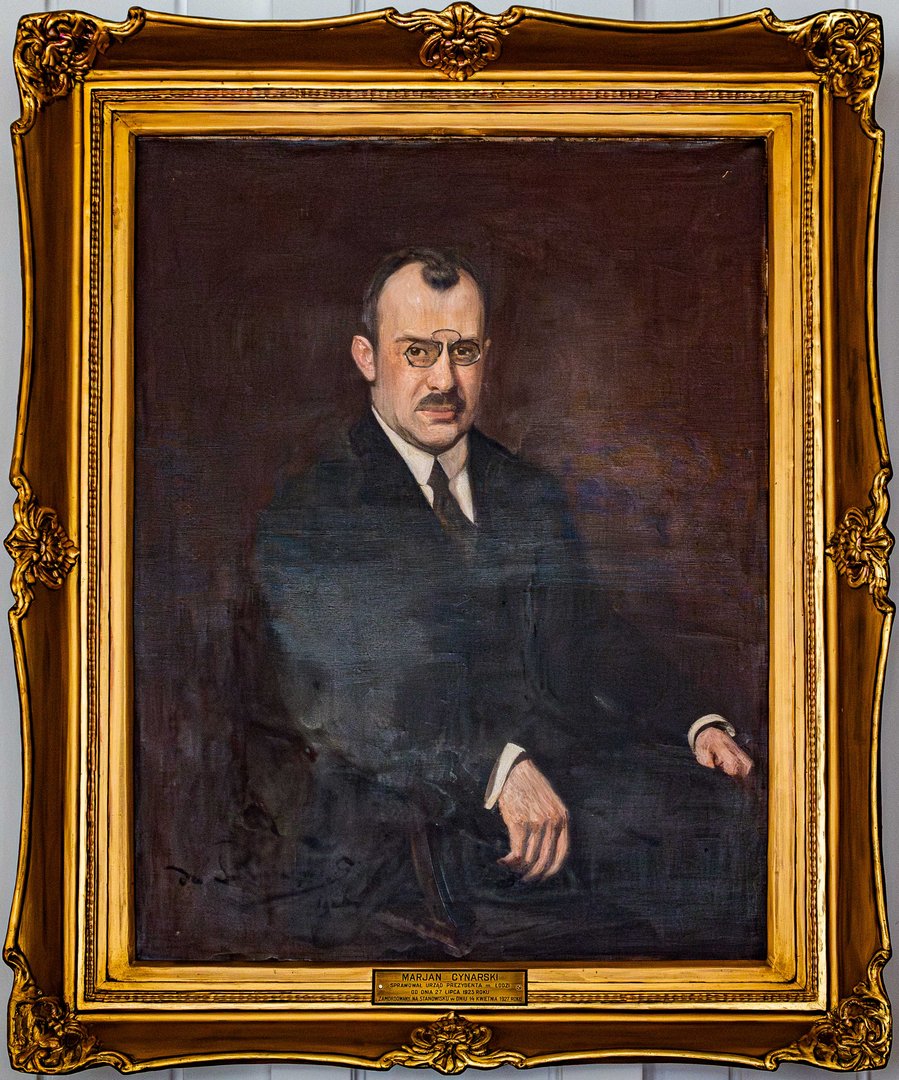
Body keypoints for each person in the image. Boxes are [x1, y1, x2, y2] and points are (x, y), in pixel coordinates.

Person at [250, 247, 756, 961]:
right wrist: (496, 769)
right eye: (417, 352)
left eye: (462, 352)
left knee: (726, 837)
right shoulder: (314, 512)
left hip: (558, 807)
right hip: (401, 835)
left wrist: (692, 720)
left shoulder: (525, 492)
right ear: (366, 358)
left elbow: (589, 638)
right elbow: (350, 699)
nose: (443, 380)